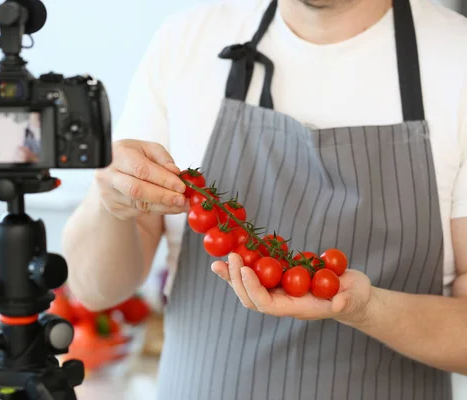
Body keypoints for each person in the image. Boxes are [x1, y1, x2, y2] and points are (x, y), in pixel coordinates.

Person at [62, 0, 467, 398]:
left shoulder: (456, 56)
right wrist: (109, 202)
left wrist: (367, 309)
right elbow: (95, 289)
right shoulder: (186, 40)